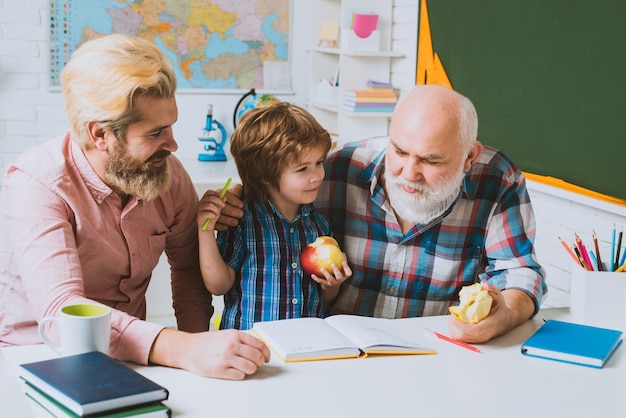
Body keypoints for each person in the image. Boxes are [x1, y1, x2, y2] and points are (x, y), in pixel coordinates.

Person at [0, 34, 269, 380]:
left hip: (133, 358)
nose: (173, 145)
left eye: (171, 125)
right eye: (156, 133)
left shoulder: (168, 175)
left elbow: (187, 271)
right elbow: (61, 312)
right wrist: (183, 349)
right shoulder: (37, 185)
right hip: (37, 358)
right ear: (100, 135)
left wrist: (197, 352)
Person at [216, 84, 548, 344]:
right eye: (400, 150)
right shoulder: (342, 167)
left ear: (468, 157)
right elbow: (275, 186)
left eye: (431, 160)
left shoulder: (497, 179)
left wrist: (504, 313)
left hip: (433, 356)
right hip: (335, 353)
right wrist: (239, 195)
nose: (409, 171)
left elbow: (520, 272)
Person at [198, 102, 351, 330]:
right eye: (302, 169)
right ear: (265, 176)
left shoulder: (319, 225)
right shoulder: (242, 220)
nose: (317, 176)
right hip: (250, 346)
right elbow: (219, 286)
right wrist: (205, 232)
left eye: (319, 163)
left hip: (307, 345)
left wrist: (332, 286)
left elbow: (323, 299)